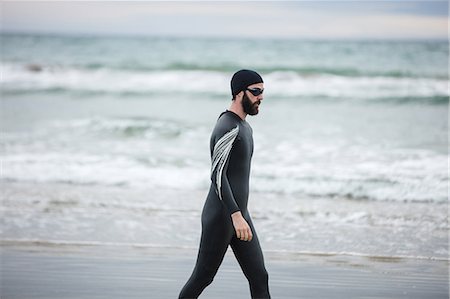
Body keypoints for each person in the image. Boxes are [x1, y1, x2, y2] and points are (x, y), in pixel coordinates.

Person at [178, 70, 271, 298]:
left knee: (259, 277)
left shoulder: (244, 127)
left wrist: (240, 214)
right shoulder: (227, 127)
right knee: (202, 277)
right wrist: (235, 215)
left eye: (263, 92)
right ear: (239, 93)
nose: (261, 97)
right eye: (256, 91)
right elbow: (217, 176)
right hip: (222, 216)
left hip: (239, 214)